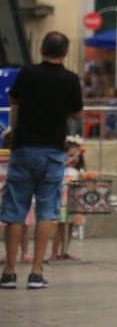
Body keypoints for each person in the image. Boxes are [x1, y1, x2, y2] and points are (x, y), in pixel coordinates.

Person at [1, 30, 83, 291]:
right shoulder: (71, 79)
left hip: (24, 148)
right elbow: (77, 112)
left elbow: (13, 98)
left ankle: (9, 272)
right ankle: (36, 272)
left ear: (42, 50)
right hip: (53, 152)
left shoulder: (28, 73)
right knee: (47, 211)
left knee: (15, 211)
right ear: (66, 52)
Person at [51, 137, 87, 262]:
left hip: (74, 202)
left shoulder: (79, 171)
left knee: (70, 227)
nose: (74, 158)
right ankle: (54, 253)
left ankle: (64, 251)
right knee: (61, 229)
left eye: (77, 156)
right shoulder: (61, 170)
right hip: (62, 203)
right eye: (71, 155)